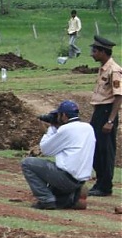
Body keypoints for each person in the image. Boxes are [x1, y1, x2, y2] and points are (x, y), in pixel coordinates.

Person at [21, 101, 95, 210]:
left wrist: (52, 128)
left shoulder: (66, 129)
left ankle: (46, 200)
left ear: (64, 115)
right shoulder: (88, 128)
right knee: (58, 193)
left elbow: (46, 150)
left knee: (27, 163)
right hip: (80, 179)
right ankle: (73, 196)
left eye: (58, 115)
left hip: (65, 178)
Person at [88, 36, 122, 197]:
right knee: (96, 148)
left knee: (106, 150)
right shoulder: (103, 68)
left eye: (94, 51)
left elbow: (118, 96)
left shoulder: (114, 70)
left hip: (107, 112)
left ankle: (105, 185)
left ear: (103, 52)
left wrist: (110, 120)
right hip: (99, 111)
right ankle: (100, 182)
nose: (92, 54)